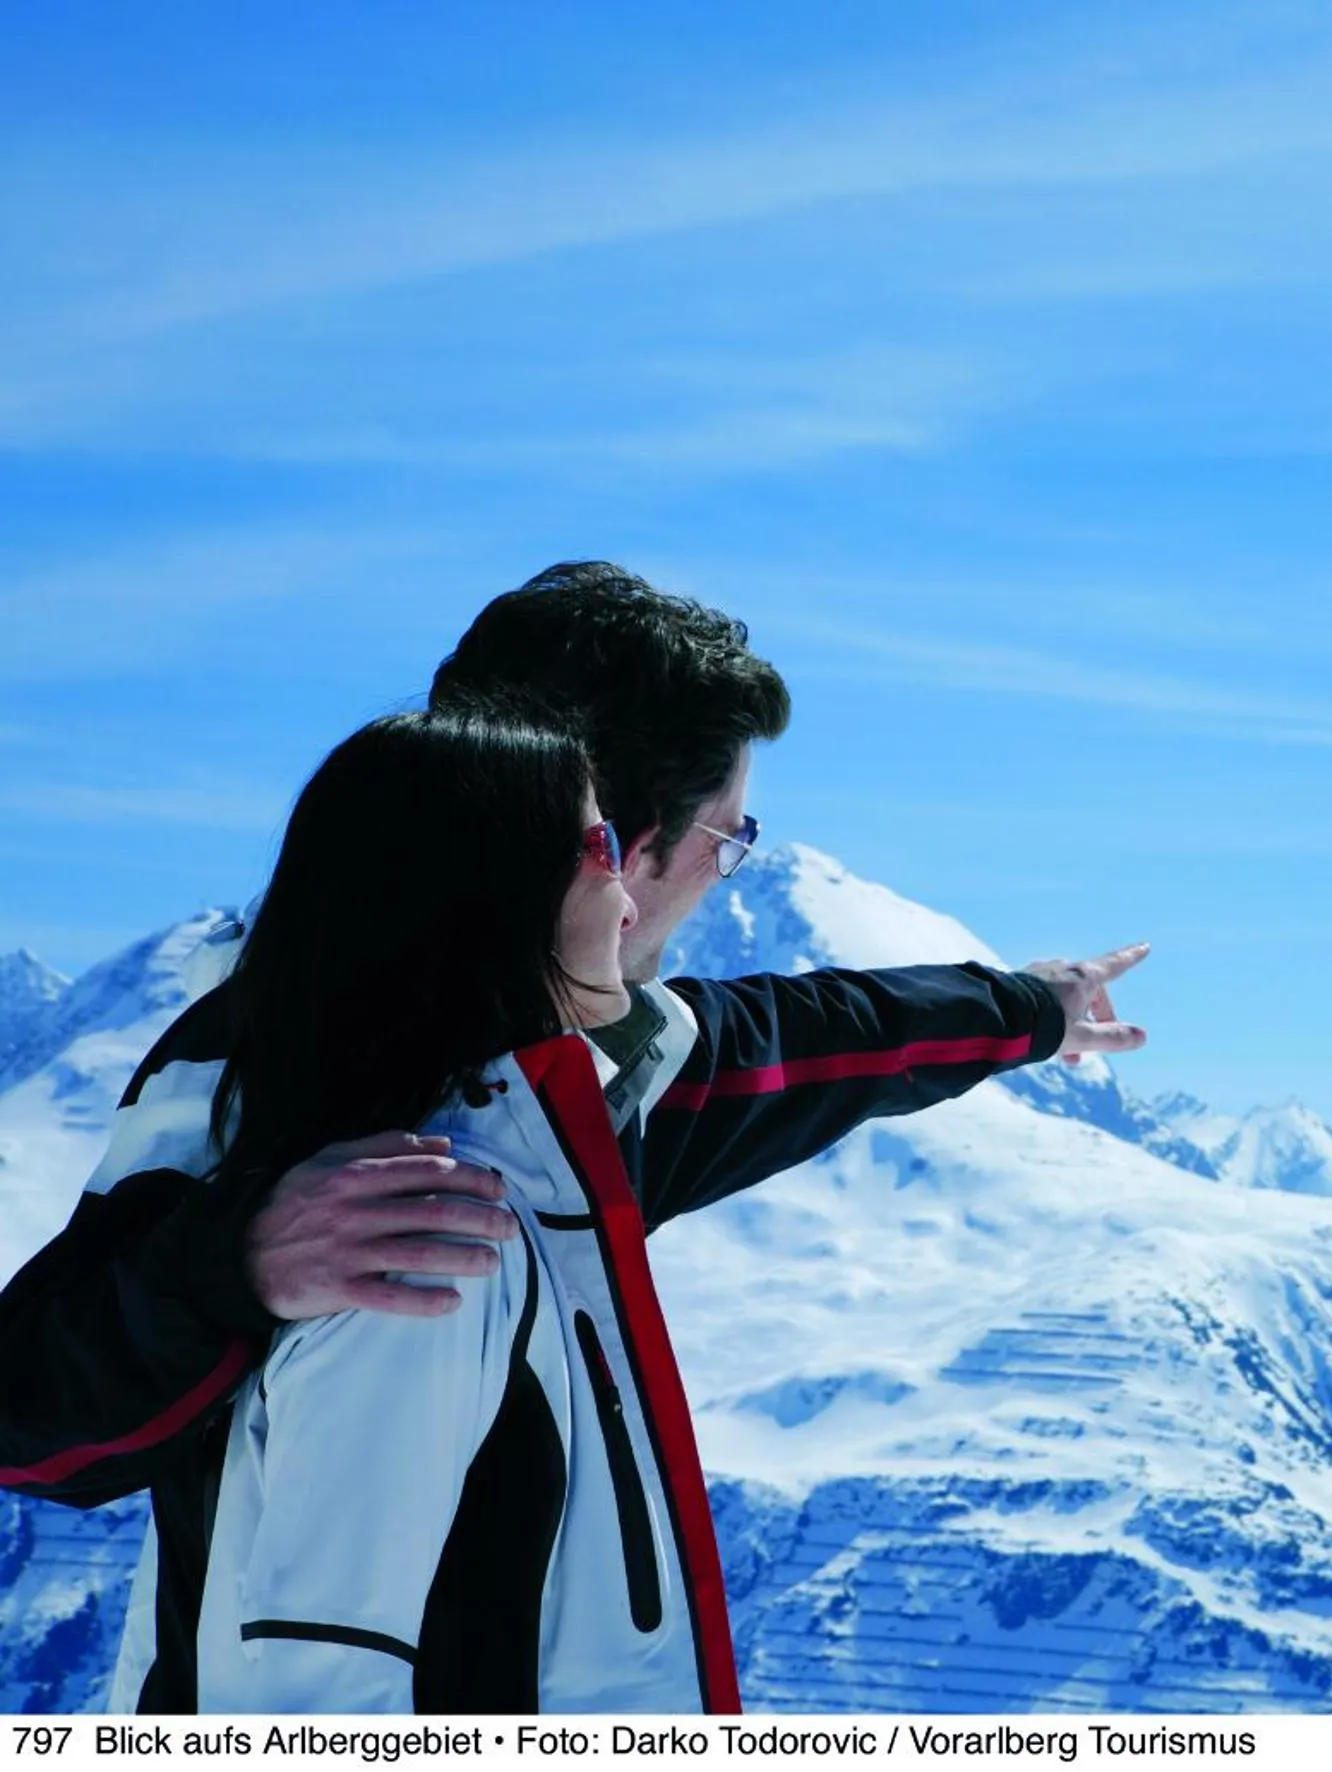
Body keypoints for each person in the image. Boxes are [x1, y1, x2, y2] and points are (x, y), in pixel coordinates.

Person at [0, 563, 1148, 1709]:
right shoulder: (259, 1085)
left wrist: (1032, 1008)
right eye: (730, 835)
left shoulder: (584, 1082)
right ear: (620, 850)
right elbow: (33, 1412)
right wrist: (237, 1259)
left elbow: (808, 1042)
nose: (727, 864)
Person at [132, 709, 767, 1710]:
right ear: (494, 891)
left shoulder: (479, 1165)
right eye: (600, 845)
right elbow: (324, 1676)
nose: (630, 900)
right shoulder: (421, 1223)